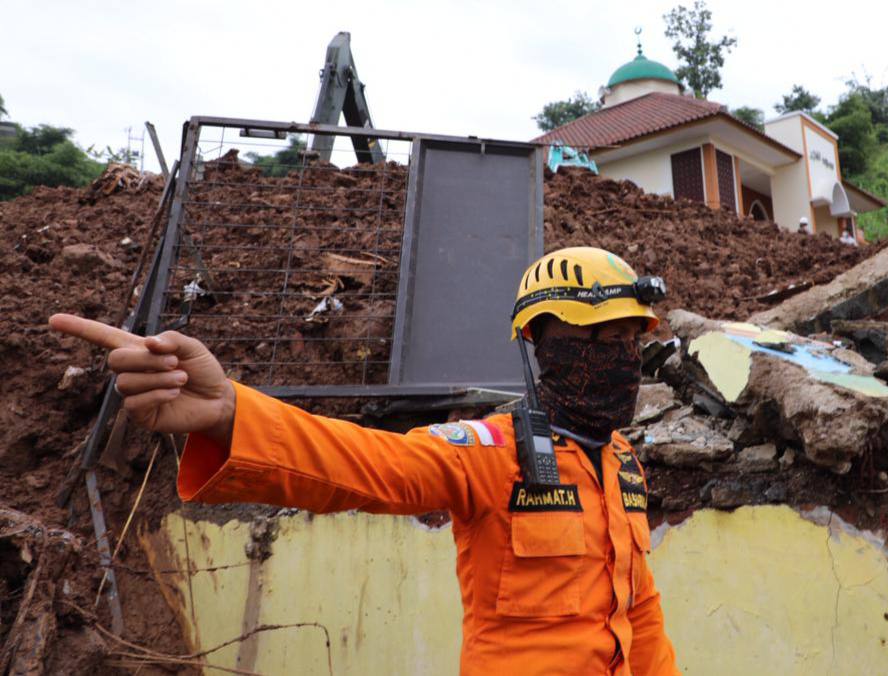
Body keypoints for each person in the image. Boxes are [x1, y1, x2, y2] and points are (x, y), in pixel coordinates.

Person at [49, 246, 680, 676]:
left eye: (630, 338)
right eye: (603, 338)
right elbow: (365, 464)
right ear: (544, 344)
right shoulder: (491, 453)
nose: (623, 356)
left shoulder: (622, 461)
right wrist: (230, 413)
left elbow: (640, 614)